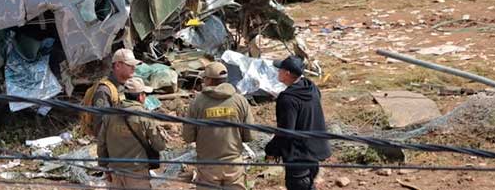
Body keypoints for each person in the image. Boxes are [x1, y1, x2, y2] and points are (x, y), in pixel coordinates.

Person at [183, 62, 254, 190]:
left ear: (209, 80)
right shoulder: (240, 101)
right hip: (233, 165)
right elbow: (250, 135)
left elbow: (188, 137)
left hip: (208, 166)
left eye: (204, 78)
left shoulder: (197, 103)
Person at [265, 56, 331, 190]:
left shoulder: (288, 99)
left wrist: (271, 150)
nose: (278, 72)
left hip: (298, 157)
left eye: (280, 70)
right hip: (314, 153)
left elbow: (286, 131)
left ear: (287, 73)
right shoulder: (311, 87)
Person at [97, 77, 166, 189]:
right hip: (137, 172)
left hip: (115, 171)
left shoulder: (110, 114)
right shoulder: (144, 116)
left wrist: (104, 167)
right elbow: (159, 145)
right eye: (144, 94)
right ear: (140, 96)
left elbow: (101, 143)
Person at [85, 48, 139, 137]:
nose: (134, 68)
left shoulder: (124, 86)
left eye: (134, 65)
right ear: (117, 66)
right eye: (130, 65)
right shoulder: (104, 91)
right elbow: (101, 127)